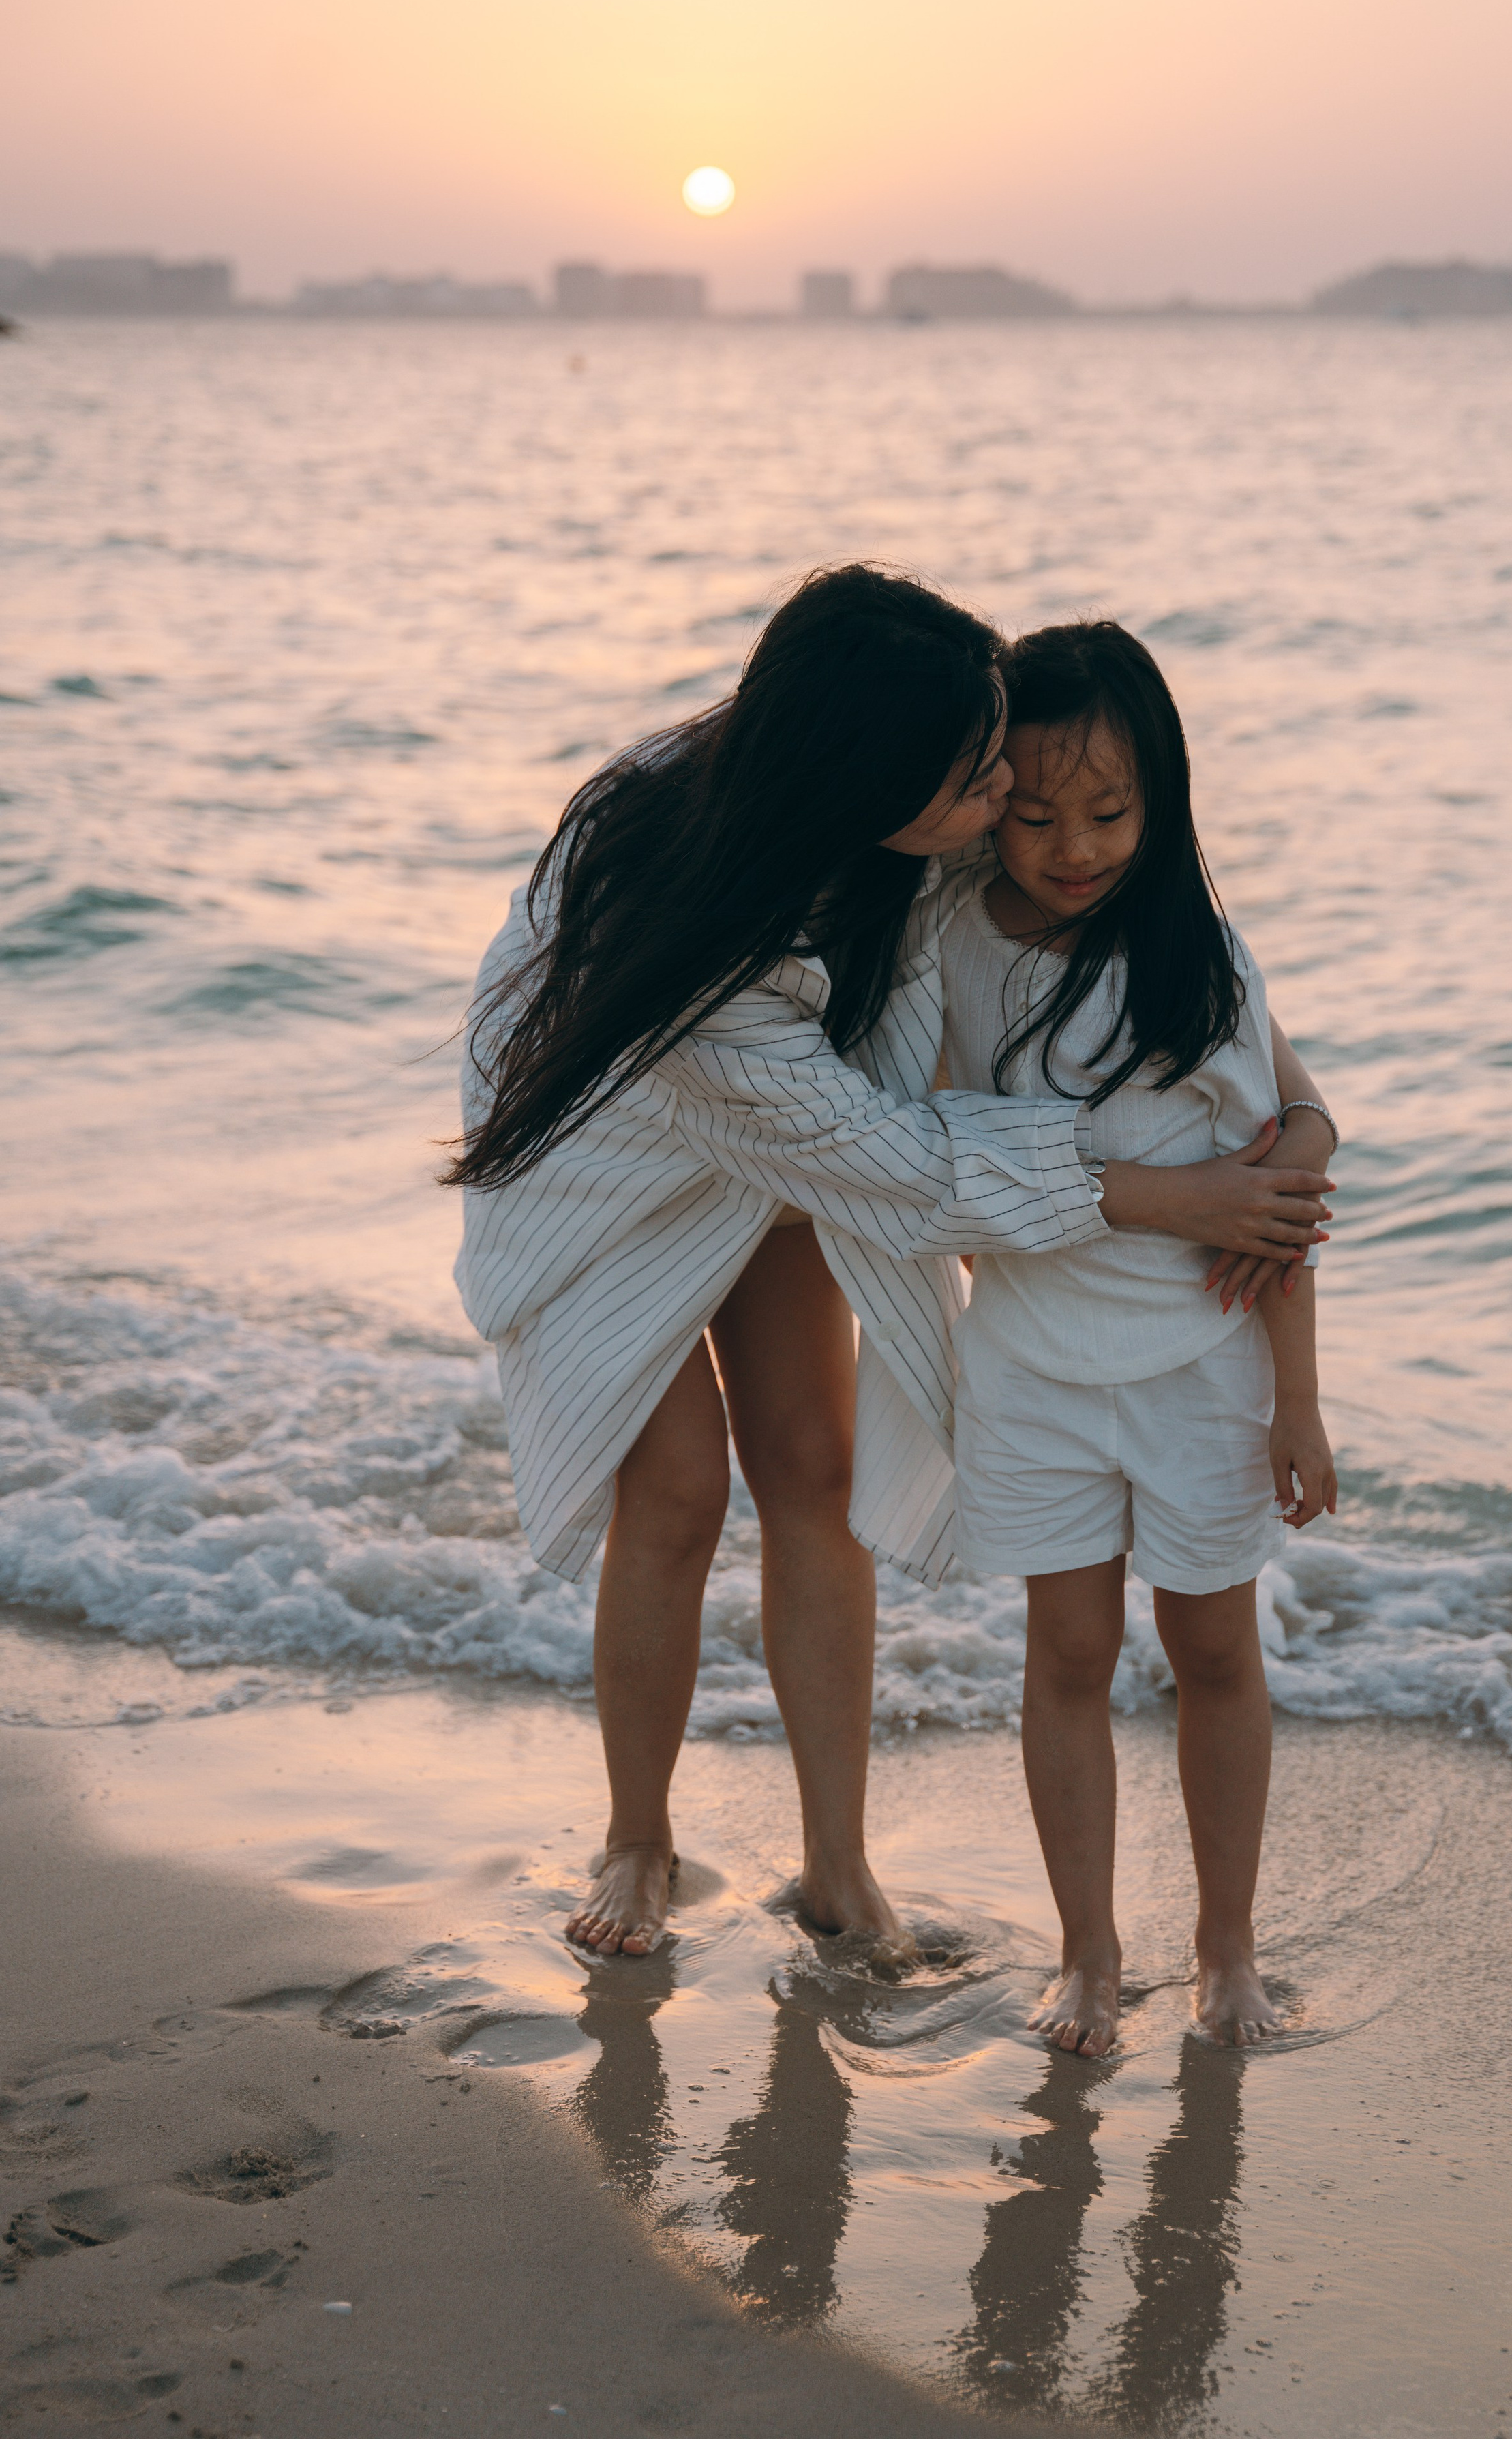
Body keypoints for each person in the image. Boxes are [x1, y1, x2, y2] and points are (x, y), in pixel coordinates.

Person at [447, 568, 1335, 1962]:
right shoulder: (693, 919)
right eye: (983, 778)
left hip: (808, 1145)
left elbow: (1141, 936)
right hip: (606, 1171)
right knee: (674, 1486)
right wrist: (1175, 1198)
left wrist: (1294, 1106)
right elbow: (910, 1171)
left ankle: (837, 1862)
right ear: (874, 779)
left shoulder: (902, 820)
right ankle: (637, 1835)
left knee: (813, 1459)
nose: (1005, 801)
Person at [937, 619, 1337, 2050]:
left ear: (1160, 800)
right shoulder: (954, 954)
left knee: (1216, 1652)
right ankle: (1087, 1955)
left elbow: (1280, 1192)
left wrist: (1297, 1402)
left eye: (1109, 811)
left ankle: (1224, 1947)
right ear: (987, 800)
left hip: (1199, 1366)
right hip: (1030, 1367)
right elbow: (928, 1165)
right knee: (1063, 1655)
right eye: (1034, 812)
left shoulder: (1196, 956)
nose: (1071, 844)